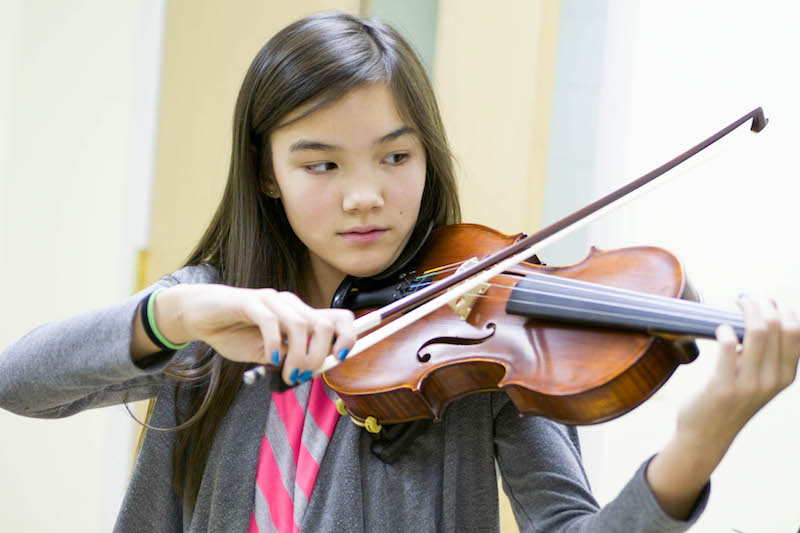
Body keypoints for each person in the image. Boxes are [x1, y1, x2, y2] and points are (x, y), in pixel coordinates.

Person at [0, 11, 798, 533]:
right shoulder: (216, 312)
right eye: (321, 164)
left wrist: (696, 447)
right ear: (268, 172)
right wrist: (172, 315)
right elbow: (19, 382)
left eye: (395, 155)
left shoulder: (482, 337)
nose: (366, 196)